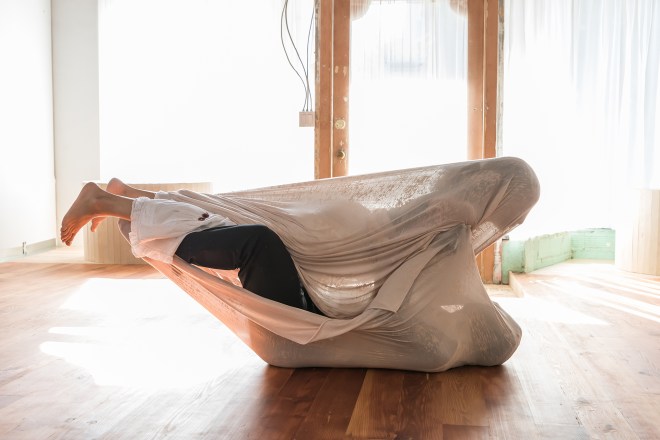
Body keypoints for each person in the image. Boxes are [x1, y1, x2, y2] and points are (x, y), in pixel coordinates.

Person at [60, 179, 323, 315]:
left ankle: (120, 201)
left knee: (251, 236)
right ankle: (120, 200)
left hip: (302, 315)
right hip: (306, 300)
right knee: (232, 222)